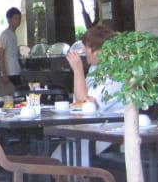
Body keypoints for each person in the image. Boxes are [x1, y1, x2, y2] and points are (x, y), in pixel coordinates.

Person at [50, 24, 124, 165]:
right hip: (91, 129)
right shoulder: (95, 67)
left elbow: (85, 104)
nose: (84, 50)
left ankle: (80, 178)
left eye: (87, 47)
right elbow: (81, 101)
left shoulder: (114, 73)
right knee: (57, 157)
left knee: (64, 157)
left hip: (108, 134)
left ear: (99, 50)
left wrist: (78, 70)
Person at [0, 7, 23, 90]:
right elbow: (1, 55)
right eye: (15, 18)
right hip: (10, 73)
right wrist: (3, 74)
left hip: (16, 70)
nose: (18, 20)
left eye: (19, 18)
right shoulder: (5, 35)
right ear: (9, 20)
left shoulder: (13, 34)